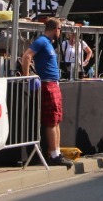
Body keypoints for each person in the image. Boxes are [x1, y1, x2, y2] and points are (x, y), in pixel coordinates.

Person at [22, 18, 73, 169]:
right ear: (56, 28)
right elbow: (26, 56)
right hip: (47, 84)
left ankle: (55, 152)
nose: (60, 32)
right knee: (51, 120)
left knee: (56, 119)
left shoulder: (48, 43)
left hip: (53, 83)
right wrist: (27, 77)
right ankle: (54, 154)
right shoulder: (42, 41)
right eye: (60, 29)